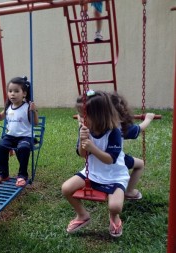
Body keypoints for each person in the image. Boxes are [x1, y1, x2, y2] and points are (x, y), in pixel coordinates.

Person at [62, 90, 129, 237]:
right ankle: (82, 215)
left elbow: (110, 159)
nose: (80, 119)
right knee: (66, 189)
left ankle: (114, 217)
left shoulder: (114, 132)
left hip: (114, 175)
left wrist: (93, 147)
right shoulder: (85, 129)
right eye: (79, 114)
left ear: (99, 115)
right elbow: (82, 154)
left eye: (83, 115)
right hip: (92, 172)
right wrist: (83, 142)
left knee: (115, 206)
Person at [0, 76, 39, 187]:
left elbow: (35, 123)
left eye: (16, 91)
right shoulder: (9, 107)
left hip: (25, 137)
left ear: (24, 93)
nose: (12, 94)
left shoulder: (28, 107)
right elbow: (0, 117)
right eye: (10, 91)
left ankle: (22, 175)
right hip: (10, 137)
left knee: (23, 148)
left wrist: (34, 111)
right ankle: (3, 174)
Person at [110, 91, 156, 200]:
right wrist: (148, 119)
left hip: (99, 161)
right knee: (140, 164)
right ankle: (129, 191)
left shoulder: (95, 125)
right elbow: (139, 128)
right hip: (115, 160)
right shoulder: (120, 127)